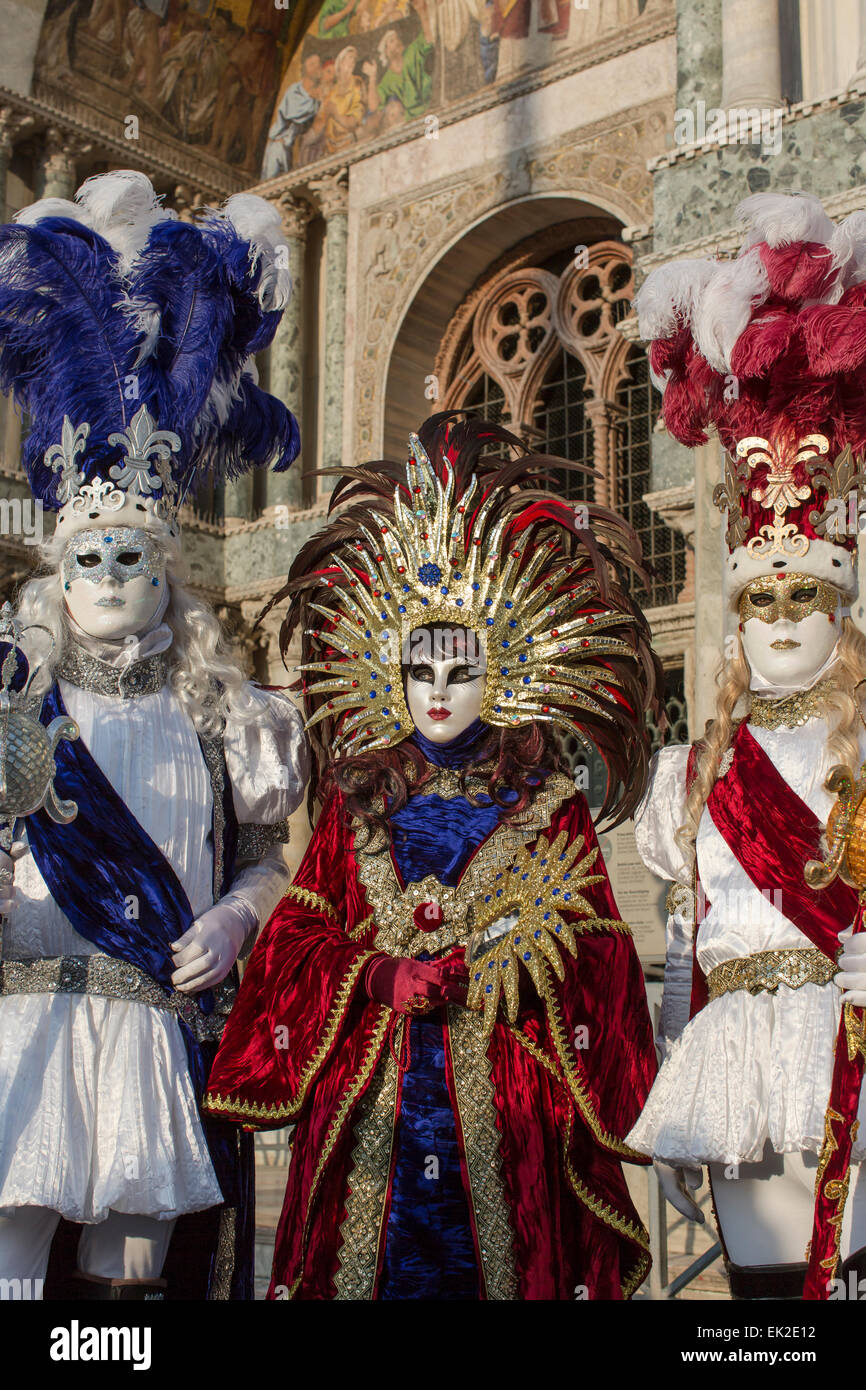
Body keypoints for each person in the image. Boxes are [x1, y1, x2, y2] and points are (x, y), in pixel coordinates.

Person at [204, 413, 661, 1300]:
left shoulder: (549, 808)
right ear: (392, 673)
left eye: (461, 671)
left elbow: (604, 957)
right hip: (372, 1104)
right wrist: (375, 977)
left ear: (505, 668)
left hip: (511, 1113)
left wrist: (523, 963)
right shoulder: (356, 809)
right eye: (422, 672)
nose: (439, 693)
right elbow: (299, 937)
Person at [0, 171, 308, 1300]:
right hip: (23, 1023)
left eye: (133, 555)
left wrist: (236, 915)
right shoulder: (9, 705)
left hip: (151, 1026)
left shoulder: (228, 715)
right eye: (89, 556)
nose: (112, 574)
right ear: (58, 572)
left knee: (131, 1286)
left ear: (170, 574)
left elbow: (271, 862)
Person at [627, 190, 866, 1299]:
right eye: (758, 591)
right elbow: (684, 944)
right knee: (762, 1312)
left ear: (840, 605)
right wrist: (682, 1074)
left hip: (841, 1048)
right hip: (735, 1057)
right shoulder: (690, 777)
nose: (777, 614)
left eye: (799, 593)